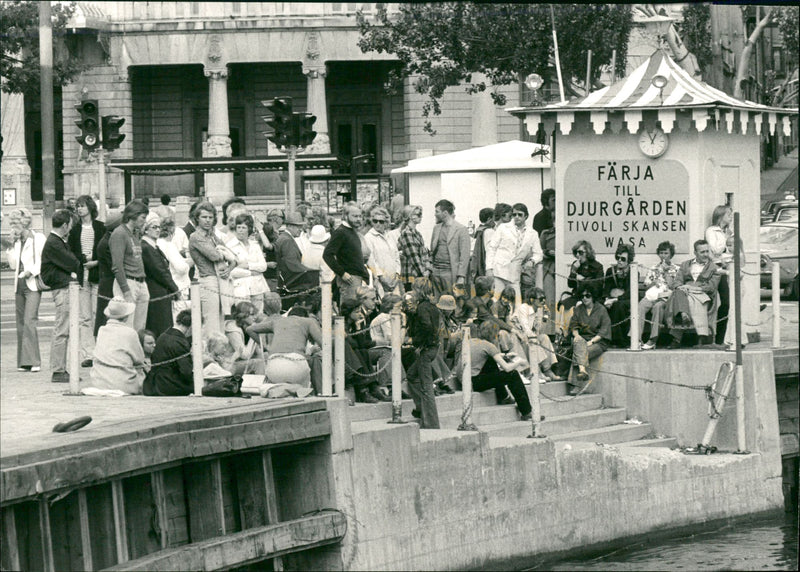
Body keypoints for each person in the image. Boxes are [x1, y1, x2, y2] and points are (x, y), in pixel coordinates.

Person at [246, 294, 324, 390]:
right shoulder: (308, 321)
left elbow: (249, 329)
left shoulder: (277, 321)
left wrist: (267, 347)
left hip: (273, 366)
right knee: (314, 363)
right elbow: (324, 344)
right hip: (296, 366)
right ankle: (319, 392)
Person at [40, 209, 81, 383]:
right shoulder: (55, 243)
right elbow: (73, 262)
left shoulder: (55, 242)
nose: (70, 229)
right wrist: (72, 270)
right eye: (70, 225)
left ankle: (61, 368)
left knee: (64, 328)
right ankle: (58, 369)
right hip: (63, 288)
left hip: (64, 286)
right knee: (62, 329)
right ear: (64, 225)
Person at [189, 201, 237, 336]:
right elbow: (214, 255)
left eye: (210, 217)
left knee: (221, 319)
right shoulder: (195, 237)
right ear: (197, 218)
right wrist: (225, 255)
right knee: (211, 320)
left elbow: (235, 258)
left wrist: (229, 268)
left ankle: (218, 351)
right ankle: (209, 353)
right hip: (207, 279)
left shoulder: (213, 237)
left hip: (220, 278)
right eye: (204, 217)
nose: (208, 220)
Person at [68, 195, 106, 367]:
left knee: (98, 313)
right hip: (82, 273)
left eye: (82, 206)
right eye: (77, 206)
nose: (79, 209)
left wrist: (96, 261)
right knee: (84, 316)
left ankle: (100, 350)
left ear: (90, 207)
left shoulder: (100, 227)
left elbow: (105, 249)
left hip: (97, 272)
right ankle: (88, 353)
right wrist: (83, 261)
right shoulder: (75, 230)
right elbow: (72, 251)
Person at [7, 208, 46, 373]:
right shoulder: (17, 241)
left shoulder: (38, 238)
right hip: (20, 285)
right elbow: (13, 265)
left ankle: (34, 360)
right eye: (12, 223)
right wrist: (10, 246)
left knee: (30, 320)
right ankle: (24, 362)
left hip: (32, 284)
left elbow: (44, 260)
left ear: (25, 223)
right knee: (21, 323)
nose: (13, 227)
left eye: (15, 223)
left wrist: (32, 270)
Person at [469, 321, 533, 420]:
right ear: (495, 335)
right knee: (513, 375)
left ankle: (503, 396)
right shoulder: (489, 346)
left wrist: (506, 356)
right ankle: (527, 412)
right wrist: (519, 362)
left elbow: (489, 356)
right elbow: (507, 368)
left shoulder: (471, 341)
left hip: (466, 380)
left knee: (491, 361)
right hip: (475, 382)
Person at [665, 239, 721, 348]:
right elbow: (677, 282)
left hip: (702, 294)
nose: (705, 254)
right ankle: (685, 317)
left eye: (707, 251)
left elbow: (711, 286)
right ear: (695, 252)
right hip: (684, 292)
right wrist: (681, 287)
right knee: (678, 292)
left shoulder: (714, 268)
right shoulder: (685, 264)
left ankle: (677, 337)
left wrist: (691, 288)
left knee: (682, 298)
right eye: (702, 252)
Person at [486, 203, 543, 303]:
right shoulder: (503, 228)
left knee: (516, 304)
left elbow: (539, 254)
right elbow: (492, 248)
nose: (516, 217)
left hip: (515, 274)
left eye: (520, 215)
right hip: (499, 271)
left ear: (526, 216)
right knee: (495, 301)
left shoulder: (532, 233)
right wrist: (489, 268)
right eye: (514, 214)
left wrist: (532, 261)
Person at [87, 298, 146, 394]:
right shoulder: (130, 333)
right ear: (126, 316)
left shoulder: (101, 330)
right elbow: (139, 359)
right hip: (124, 385)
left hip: (99, 383)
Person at [405, 280, 441, 428]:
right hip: (432, 347)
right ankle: (421, 409)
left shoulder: (422, 308)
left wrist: (416, 341)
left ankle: (432, 423)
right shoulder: (432, 306)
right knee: (412, 376)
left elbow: (427, 327)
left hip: (426, 348)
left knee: (427, 387)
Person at [110, 199, 150, 330]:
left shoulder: (134, 234)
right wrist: (126, 291)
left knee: (140, 328)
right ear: (133, 215)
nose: (144, 221)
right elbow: (117, 265)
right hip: (128, 282)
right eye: (143, 217)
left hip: (140, 282)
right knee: (127, 327)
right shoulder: (119, 233)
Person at [141, 213, 180, 339]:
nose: (158, 230)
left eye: (159, 227)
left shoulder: (153, 246)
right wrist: (175, 288)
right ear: (145, 229)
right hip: (155, 290)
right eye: (154, 227)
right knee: (160, 325)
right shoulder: (146, 247)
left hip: (160, 290)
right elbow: (160, 271)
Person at [568, 284, 611, 395]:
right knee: (579, 345)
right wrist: (576, 335)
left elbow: (604, 331)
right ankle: (582, 371)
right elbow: (574, 325)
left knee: (580, 351)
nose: (585, 298)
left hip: (598, 341)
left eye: (588, 295)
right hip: (582, 339)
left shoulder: (601, 310)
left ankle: (576, 385)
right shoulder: (578, 309)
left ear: (593, 297)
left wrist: (591, 342)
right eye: (582, 296)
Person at [324, 203, 370, 303]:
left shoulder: (352, 231)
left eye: (360, 216)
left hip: (357, 279)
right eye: (355, 216)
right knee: (350, 312)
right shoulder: (341, 232)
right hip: (349, 281)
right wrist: (342, 273)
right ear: (345, 216)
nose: (358, 219)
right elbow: (327, 254)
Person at [143, 309, 195, 396]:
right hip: (170, 385)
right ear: (191, 327)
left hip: (154, 384)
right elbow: (186, 372)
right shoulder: (180, 342)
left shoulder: (163, 336)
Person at [515, 287, 562, 382]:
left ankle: (547, 370)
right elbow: (525, 327)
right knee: (534, 340)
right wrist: (534, 336)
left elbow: (539, 330)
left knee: (544, 337)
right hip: (519, 336)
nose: (543, 301)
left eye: (544, 298)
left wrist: (545, 317)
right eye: (541, 299)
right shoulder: (524, 308)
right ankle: (542, 371)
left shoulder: (538, 310)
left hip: (529, 335)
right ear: (532, 300)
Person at [639, 241, 680, 350]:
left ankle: (653, 339)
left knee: (658, 307)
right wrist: (653, 283)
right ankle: (636, 338)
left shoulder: (676, 269)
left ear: (671, 254)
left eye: (666, 253)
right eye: (661, 253)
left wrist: (666, 273)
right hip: (652, 295)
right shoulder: (653, 268)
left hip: (666, 297)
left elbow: (675, 287)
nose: (663, 256)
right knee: (641, 305)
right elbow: (646, 286)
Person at [227, 213, 269, 312]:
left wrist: (247, 265)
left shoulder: (255, 245)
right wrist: (251, 272)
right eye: (238, 227)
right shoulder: (229, 246)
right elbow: (231, 271)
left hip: (257, 287)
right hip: (240, 289)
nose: (240, 230)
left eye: (243, 227)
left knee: (258, 314)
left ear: (249, 229)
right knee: (243, 315)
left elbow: (263, 266)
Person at [429, 199, 471, 299]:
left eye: (437, 211)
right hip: (436, 271)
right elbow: (432, 250)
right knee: (438, 301)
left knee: (452, 301)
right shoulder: (436, 228)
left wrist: (461, 276)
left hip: (450, 272)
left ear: (445, 213)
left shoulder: (461, 229)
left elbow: (464, 256)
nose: (435, 214)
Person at [705, 205, 732, 345]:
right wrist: (726, 239)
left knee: (730, 303)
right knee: (725, 302)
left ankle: (725, 337)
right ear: (721, 216)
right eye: (728, 215)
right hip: (717, 269)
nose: (731, 217)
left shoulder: (725, 231)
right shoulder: (712, 231)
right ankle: (718, 338)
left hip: (728, 267)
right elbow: (715, 250)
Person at [157, 218, 193, 321]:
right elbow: (181, 268)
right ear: (172, 232)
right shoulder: (169, 245)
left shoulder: (157, 244)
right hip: (178, 286)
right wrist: (190, 263)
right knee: (179, 319)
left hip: (166, 286)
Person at [274, 211, 319, 292]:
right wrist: (311, 272)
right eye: (298, 227)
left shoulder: (284, 238)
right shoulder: (287, 240)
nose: (300, 229)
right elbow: (292, 264)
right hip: (290, 282)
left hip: (286, 279)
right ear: (290, 226)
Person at [364, 206, 402, 298]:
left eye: (381, 221)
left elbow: (396, 257)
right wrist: (381, 277)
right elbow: (371, 261)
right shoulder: (369, 237)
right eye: (375, 221)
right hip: (380, 280)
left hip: (394, 280)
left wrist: (397, 274)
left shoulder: (389, 236)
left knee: (396, 305)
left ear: (386, 222)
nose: (378, 224)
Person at [94, 214, 122, 335]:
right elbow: (114, 265)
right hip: (109, 284)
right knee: (105, 315)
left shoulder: (109, 240)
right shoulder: (106, 243)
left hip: (109, 282)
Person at [603, 244, 635, 347]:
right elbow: (606, 288)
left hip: (627, 299)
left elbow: (630, 293)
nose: (619, 261)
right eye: (618, 258)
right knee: (600, 305)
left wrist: (615, 299)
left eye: (623, 259)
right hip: (612, 298)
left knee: (619, 306)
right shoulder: (610, 271)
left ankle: (619, 340)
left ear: (628, 260)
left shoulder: (633, 272)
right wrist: (607, 299)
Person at [224, 301, 266, 375]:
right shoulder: (233, 329)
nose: (255, 317)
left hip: (242, 362)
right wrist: (253, 334)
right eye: (252, 315)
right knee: (258, 363)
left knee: (266, 357)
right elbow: (244, 355)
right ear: (243, 315)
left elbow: (259, 352)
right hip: (230, 364)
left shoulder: (247, 326)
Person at [397, 205, 431, 292]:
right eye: (418, 214)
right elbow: (414, 256)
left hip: (419, 275)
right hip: (412, 276)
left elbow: (424, 253)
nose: (421, 216)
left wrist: (427, 270)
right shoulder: (407, 233)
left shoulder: (417, 233)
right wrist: (424, 273)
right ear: (410, 216)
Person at [469, 207, 495, 283]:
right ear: (490, 218)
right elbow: (489, 250)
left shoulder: (478, 230)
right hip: (485, 264)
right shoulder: (489, 231)